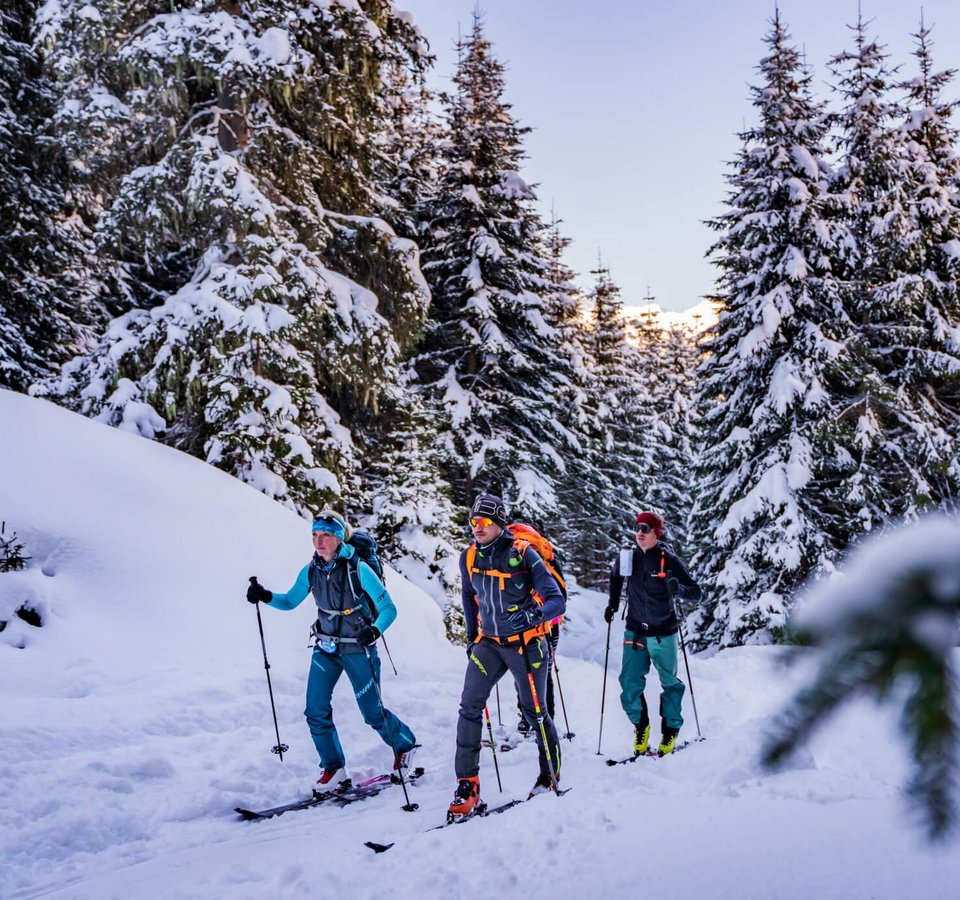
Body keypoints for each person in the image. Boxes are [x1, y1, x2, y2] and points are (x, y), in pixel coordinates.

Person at [246, 509, 417, 792]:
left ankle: (405, 745)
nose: (319, 541)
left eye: (325, 535)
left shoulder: (358, 569)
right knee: (315, 710)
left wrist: (374, 630)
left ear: (339, 538)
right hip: (325, 648)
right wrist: (265, 597)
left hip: (358, 649)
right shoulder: (312, 570)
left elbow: (389, 608)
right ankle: (333, 767)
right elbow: (289, 601)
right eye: (314, 535)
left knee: (372, 713)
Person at [448, 494, 567, 819]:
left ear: (499, 523)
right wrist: (473, 637)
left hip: (527, 644)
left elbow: (557, 600)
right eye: (474, 522)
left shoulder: (524, 554)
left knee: (535, 712)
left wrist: (534, 617)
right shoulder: (469, 557)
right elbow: (469, 596)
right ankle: (467, 785)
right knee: (469, 706)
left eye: (485, 522)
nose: (478, 528)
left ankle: (549, 774)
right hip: (490, 643)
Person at [604, 511, 701, 756]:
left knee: (670, 683)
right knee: (629, 683)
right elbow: (615, 577)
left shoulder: (667, 559)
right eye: (637, 528)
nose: (640, 533)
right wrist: (613, 604)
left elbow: (697, 593)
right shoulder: (628, 557)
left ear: (657, 532)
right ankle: (641, 727)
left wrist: (677, 589)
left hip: (663, 633)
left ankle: (670, 731)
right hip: (635, 630)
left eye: (646, 529)